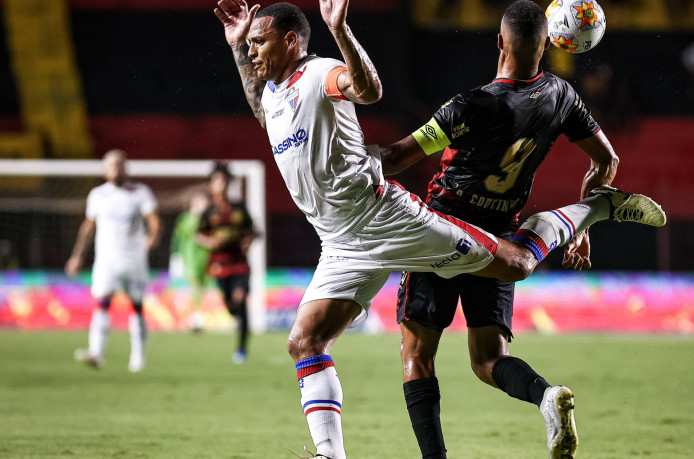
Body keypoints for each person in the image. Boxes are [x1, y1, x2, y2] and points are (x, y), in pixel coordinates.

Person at [214, 1, 665, 457]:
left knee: (514, 268)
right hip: (340, 240)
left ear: (291, 41)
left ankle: (595, 210)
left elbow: (368, 92)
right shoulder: (561, 96)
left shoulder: (330, 74)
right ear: (546, 43)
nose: (252, 51)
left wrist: (341, 31)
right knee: (305, 341)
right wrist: (236, 46)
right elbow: (264, 107)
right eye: (248, 45)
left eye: (258, 42)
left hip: (385, 219)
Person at [378, 2, 626, 457]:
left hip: (441, 232)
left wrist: (337, 156)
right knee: (489, 360)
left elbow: (395, 159)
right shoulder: (562, 97)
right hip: (500, 241)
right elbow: (607, 160)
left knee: (417, 355)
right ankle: (546, 396)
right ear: (548, 43)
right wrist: (584, 225)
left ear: (499, 41)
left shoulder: (468, 106)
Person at [66, 149, 161, 373]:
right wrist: (77, 255)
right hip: (106, 260)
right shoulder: (97, 195)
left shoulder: (140, 192)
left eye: (119, 164)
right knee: (101, 304)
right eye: (111, 164)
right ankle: (96, 353)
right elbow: (88, 227)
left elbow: (154, 221)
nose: (116, 168)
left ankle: (138, 358)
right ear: (104, 169)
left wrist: (152, 238)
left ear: (126, 168)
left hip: (133, 259)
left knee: (136, 307)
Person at [195, 162, 260, 363]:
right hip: (219, 266)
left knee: (240, 300)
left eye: (223, 180)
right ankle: (238, 317)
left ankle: (241, 349)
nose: (220, 185)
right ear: (211, 185)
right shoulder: (208, 212)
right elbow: (198, 234)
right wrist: (209, 241)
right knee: (232, 308)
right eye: (217, 181)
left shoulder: (239, 208)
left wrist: (247, 242)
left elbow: (254, 230)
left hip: (240, 264)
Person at [170, 190, 212, 332]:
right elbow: (183, 237)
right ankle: (194, 317)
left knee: (202, 288)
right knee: (193, 287)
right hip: (190, 259)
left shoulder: (207, 220)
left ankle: (200, 316)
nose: (205, 206)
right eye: (202, 203)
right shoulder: (186, 219)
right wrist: (175, 255)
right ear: (194, 204)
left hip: (205, 258)